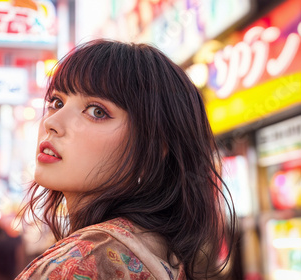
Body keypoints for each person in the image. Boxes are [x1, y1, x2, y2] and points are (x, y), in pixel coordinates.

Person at [16, 39, 236, 280]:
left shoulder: (80, 263)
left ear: (152, 150)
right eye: (56, 102)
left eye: (97, 111)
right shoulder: (159, 254)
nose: (52, 123)